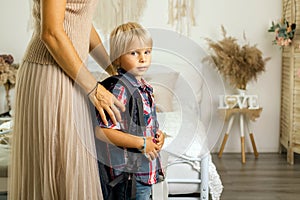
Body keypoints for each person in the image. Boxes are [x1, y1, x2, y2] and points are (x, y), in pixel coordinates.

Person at [8, 1, 159, 199]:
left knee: (76, 164)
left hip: (76, 74)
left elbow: (81, 21)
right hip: (51, 74)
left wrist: (114, 71)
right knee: (60, 165)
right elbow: (51, 33)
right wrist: (94, 88)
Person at [95, 22, 165, 200]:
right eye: (134, 53)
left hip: (146, 173)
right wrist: (142, 143)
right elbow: (102, 131)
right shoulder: (119, 89)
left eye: (147, 52)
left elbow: (146, 123)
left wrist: (158, 135)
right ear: (117, 58)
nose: (142, 58)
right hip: (129, 177)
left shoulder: (145, 88)